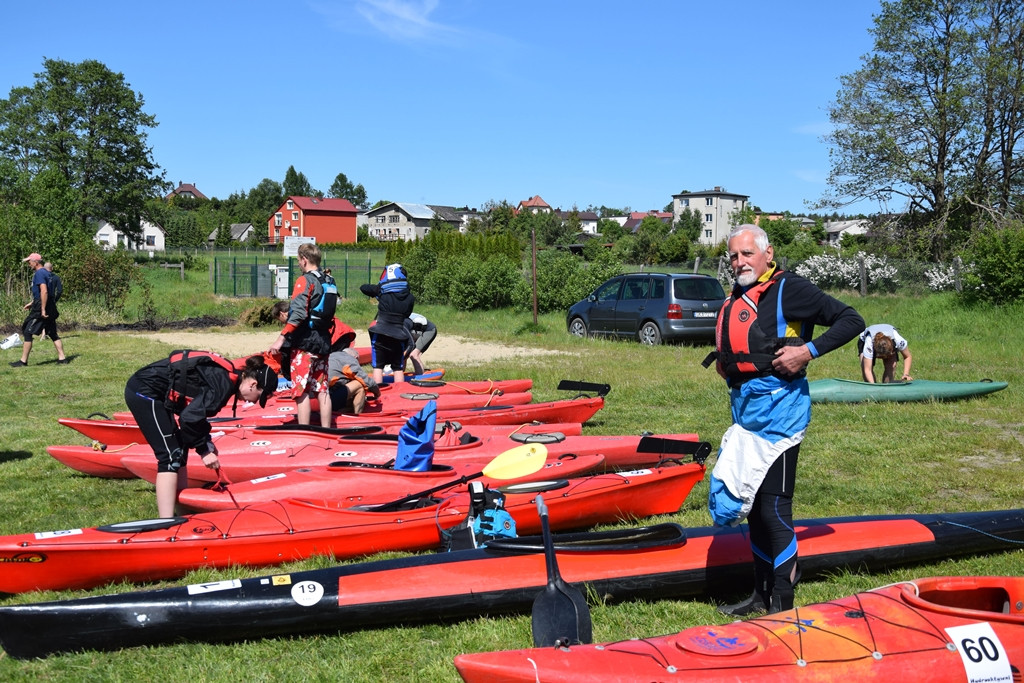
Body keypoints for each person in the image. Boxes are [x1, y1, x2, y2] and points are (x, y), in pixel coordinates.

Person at [705, 225, 864, 616]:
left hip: (782, 414)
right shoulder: (740, 293)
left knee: (774, 507)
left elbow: (851, 320)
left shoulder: (788, 289)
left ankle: (782, 601)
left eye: (747, 254)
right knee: (755, 507)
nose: (739, 262)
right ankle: (760, 596)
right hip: (748, 414)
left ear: (768, 254)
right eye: (734, 256)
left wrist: (807, 352)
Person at [124, 352, 276, 517]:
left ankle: (183, 514)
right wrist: (204, 451)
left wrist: (206, 441)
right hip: (144, 392)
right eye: (258, 397)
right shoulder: (223, 385)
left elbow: (196, 414)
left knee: (180, 450)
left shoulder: (227, 379)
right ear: (253, 384)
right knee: (169, 457)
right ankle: (166, 522)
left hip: (154, 392)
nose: (253, 402)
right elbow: (188, 418)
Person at [268, 243, 335, 427]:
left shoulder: (304, 281)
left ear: (304, 260)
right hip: (323, 342)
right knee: (322, 389)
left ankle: (304, 430)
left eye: (298, 260)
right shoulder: (329, 280)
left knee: (301, 390)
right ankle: (327, 429)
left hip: (304, 344)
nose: (298, 263)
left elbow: (297, 313)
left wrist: (281, 339)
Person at [360, 263, 415, 385]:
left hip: (380, 333)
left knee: (378, 366)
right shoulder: (410, 297)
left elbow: (363, 288)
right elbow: (407, 314)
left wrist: (379, 289)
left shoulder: (382, 291)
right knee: (398, 368)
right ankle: (399, 392)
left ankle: (378, 391)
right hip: (399, 334)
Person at [11, 253, 67, 367]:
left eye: (29, 262)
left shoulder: (39, 273)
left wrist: (42, 309)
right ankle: (62, 358)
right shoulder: (47, 273)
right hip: (50, 305)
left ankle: (23, 361)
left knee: (27, 331)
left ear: (36, 262)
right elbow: (46, 292)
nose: (29, 264)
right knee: (52, 333)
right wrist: (32, 303)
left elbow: (44, 291)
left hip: (42, 306)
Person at [328, 346, 380, 414]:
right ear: (356, 357)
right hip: (329, 398)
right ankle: (357, 414)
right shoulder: (349, 359)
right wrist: (377, 392)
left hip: (321, 396)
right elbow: (365, 380)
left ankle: (343, 410)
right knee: (359, 384)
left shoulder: (332, 355)